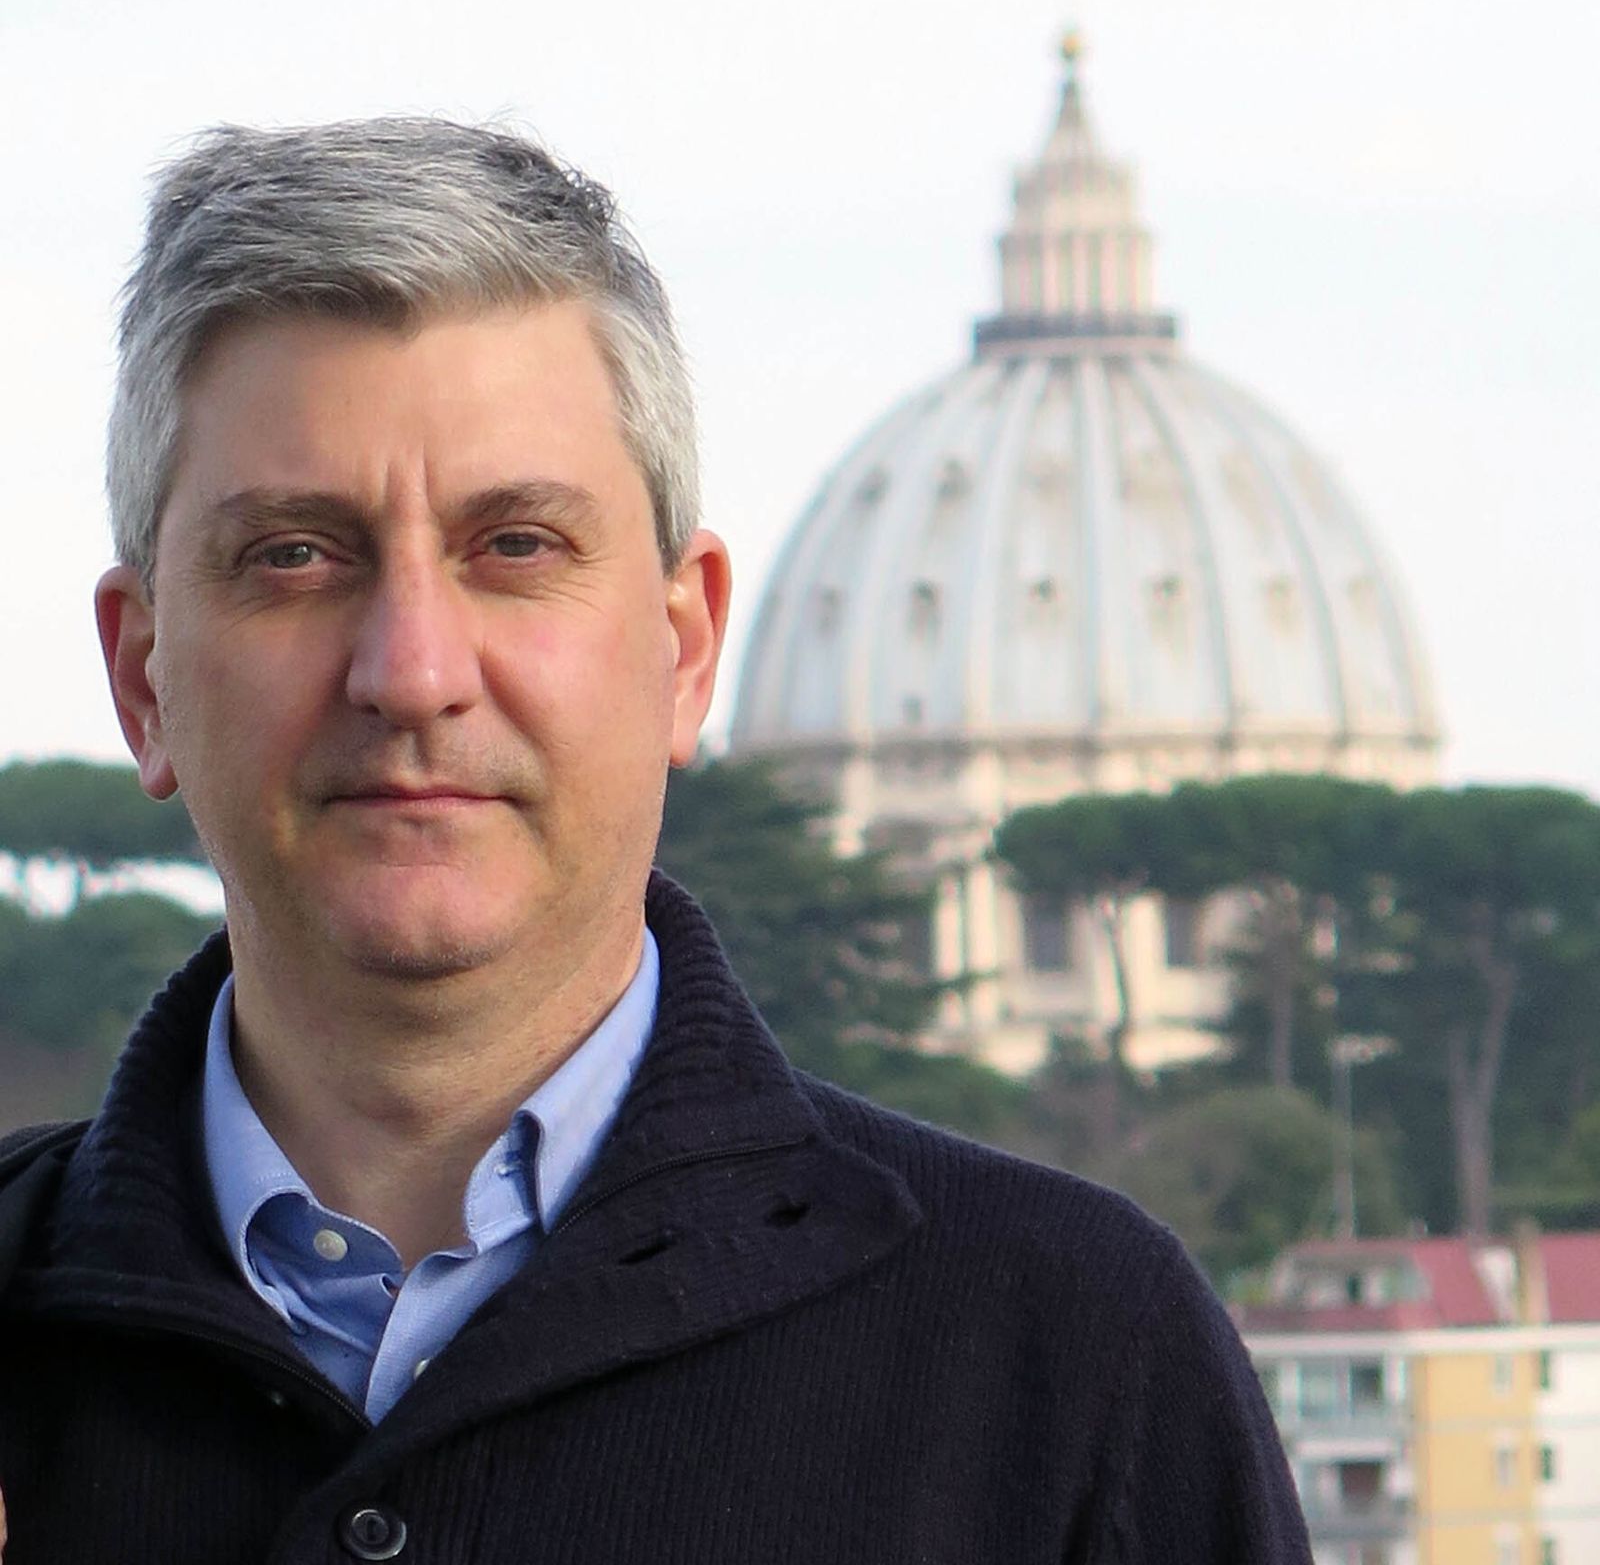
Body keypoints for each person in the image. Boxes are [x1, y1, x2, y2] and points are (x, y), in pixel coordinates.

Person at [0, 118, 1311, 1564]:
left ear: (685, 654)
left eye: (517, 546)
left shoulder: (1082, 1357)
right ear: (143, 680)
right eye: (296, 555)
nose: (413, 670)